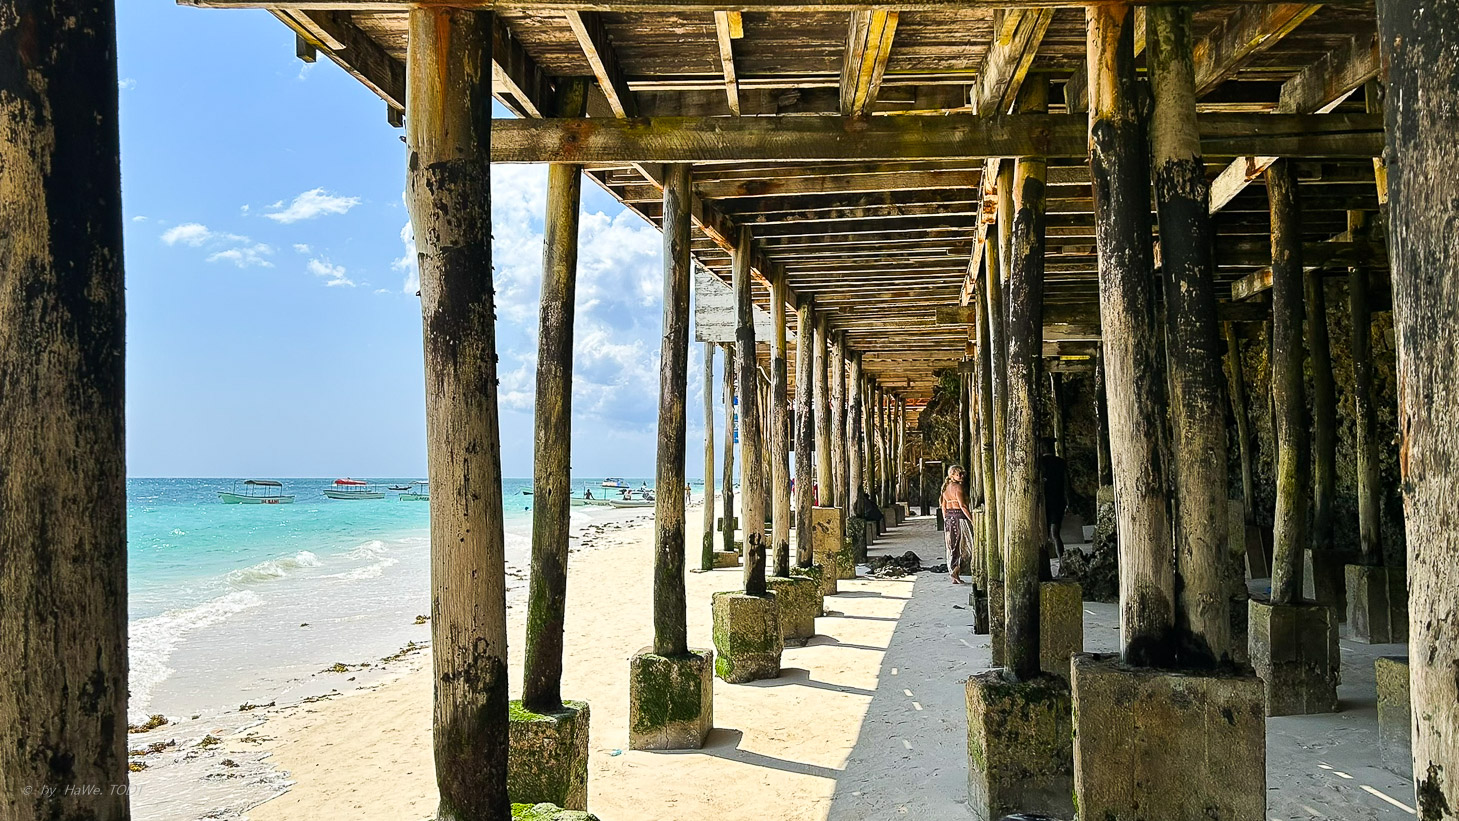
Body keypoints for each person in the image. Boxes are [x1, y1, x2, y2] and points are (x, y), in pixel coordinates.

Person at [940, 465, 971, 585]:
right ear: (952, 475)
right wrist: (972, 519)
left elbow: (943, 507)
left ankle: (954, 575)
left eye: (962, 474)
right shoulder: (958, 487)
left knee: (952, 547)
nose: (962, 476)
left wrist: (946, 520)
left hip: (948, 519)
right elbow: (963, 506)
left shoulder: (945, 488)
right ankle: (956, 570)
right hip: (959, 519)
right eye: (959, 474)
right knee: (967, 547)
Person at [1040, 438, 1068, 559]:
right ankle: (1061, 561)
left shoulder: (1040, 463)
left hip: (1044, 502)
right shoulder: (1061, 463)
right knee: (1055, 534)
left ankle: (1044, 562)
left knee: (1043, 535)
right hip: (1058, 501)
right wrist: (1068, 501)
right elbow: (1067, 484)